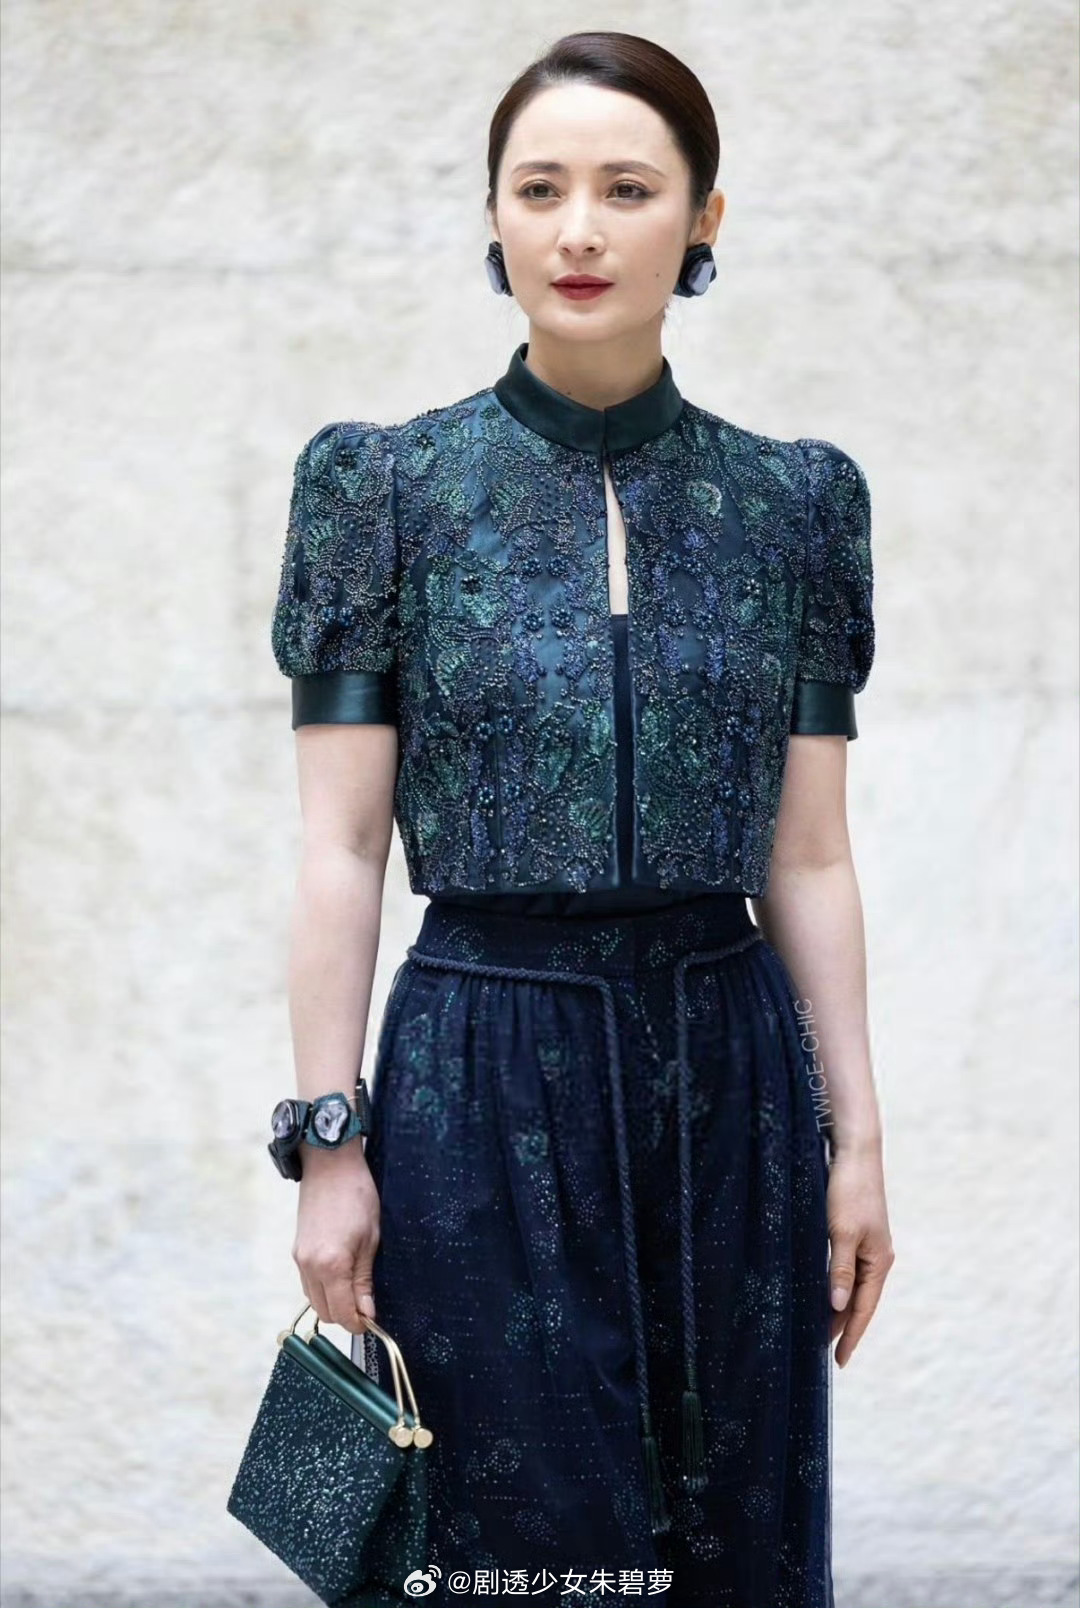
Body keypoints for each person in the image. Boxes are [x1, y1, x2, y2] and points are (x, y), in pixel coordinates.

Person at [268, 29, 895, 1608]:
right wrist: (329, 1143)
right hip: (481, 1064)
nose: (580, 230)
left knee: (735, 1539)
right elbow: (339, 848)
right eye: (539, 189)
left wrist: (859, 1145)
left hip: (730, 1065)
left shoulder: (794, 505)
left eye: (629, 188)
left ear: (704, 218)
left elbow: (809, 852)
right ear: (494, 218)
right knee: (519, 1552)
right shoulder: (385, 491)